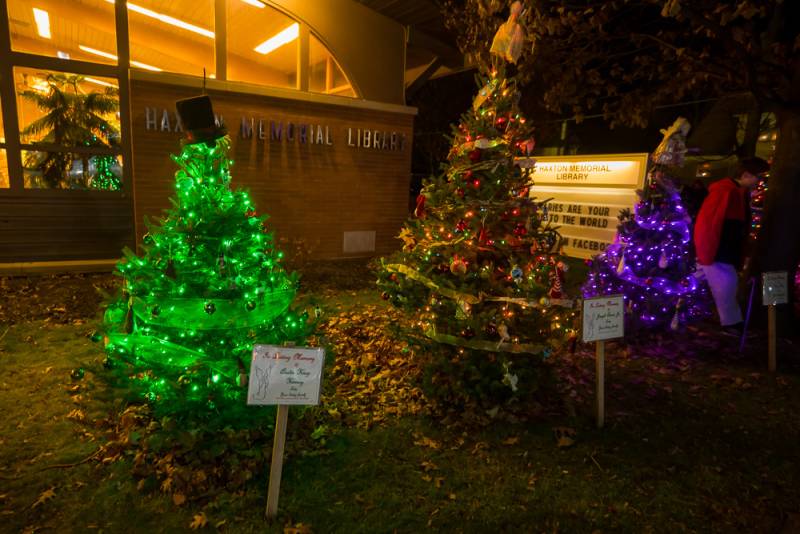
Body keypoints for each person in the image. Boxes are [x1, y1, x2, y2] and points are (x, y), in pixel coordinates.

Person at [694, 157, 770, 336]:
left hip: (723, 250)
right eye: (758, 177)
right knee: (725, 286)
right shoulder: (726, 192)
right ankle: (731, 325)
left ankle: (730, 323)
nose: (760, 182)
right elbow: (711, 224)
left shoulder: (736, 192)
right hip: (718, 251)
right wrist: (708, 251)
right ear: (746, 175)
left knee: (723, 285)